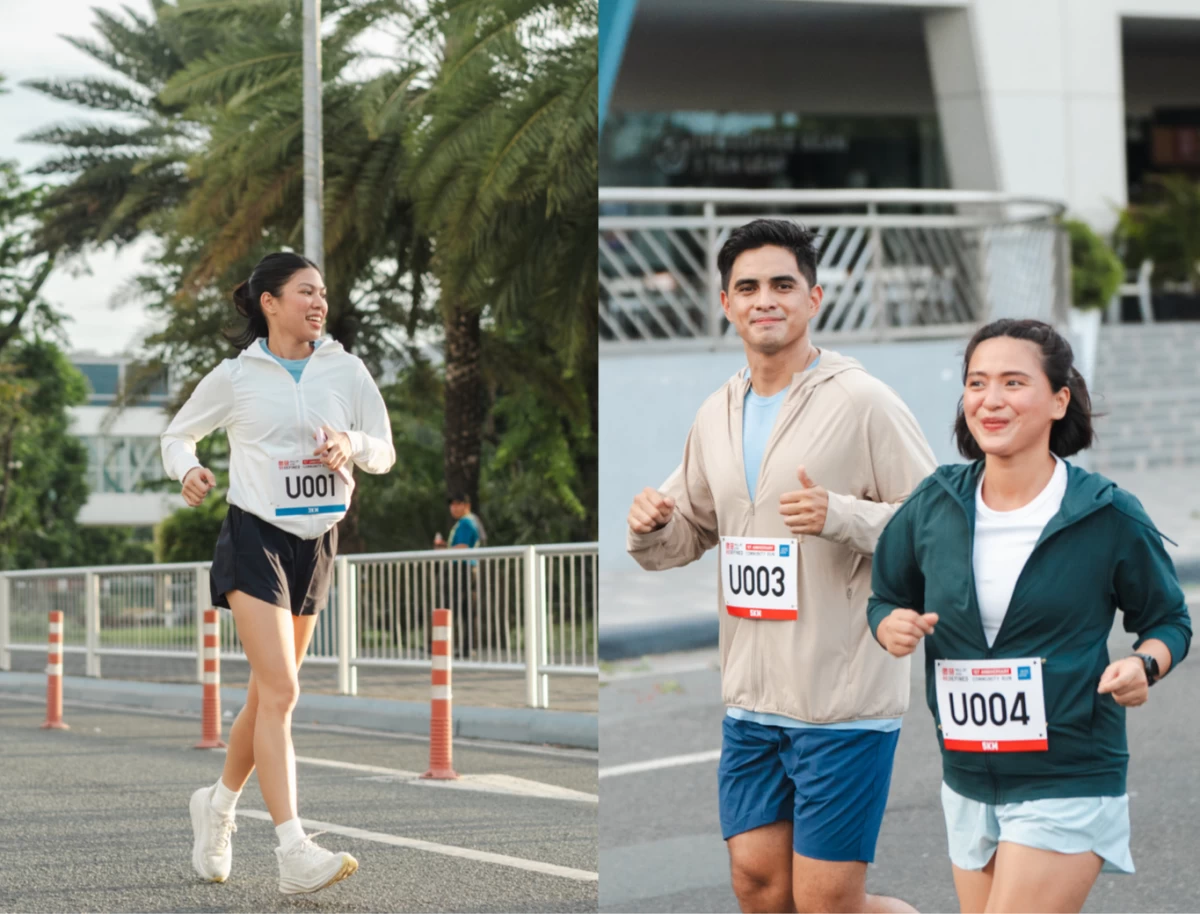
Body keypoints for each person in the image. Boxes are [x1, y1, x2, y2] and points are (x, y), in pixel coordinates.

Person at [626, 218, 936, 914]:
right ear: (725, 303)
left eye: (782, 285)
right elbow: (691, 528)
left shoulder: (864, 401)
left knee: (828, 903)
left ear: (813, 298)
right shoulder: (716, 412)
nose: (764, 299)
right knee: (760, 888)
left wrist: (840, 515)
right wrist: (652, 527)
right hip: (752, 699)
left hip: (841, 702)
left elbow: (937, 526)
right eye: (747, 287)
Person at [868, 318, 1192, 914]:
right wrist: (890, 625)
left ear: (1058, 400)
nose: (990, 400)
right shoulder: (934, 503)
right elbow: (886, 596)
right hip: (967, 775)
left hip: (1068, 773)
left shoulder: (1106, 513)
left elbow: (1169, 620)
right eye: (977, 383)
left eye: (1013, 383)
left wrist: (1145, 665)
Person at [161, 251, 396, 895]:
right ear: (269, 302)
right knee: (284, 691)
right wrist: (188, 469)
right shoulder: (237, 376)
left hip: (316, 542)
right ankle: (293, 849)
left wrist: (352, 444)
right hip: (255, 537)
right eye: (305, 292)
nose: (319, 303)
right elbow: (178, 436)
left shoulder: (346, 369)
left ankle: (217, 806)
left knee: (267, 695)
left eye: (322, 293)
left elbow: (384, 449)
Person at [433, 493, 485, 657]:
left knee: (461, 608)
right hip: (466, 568)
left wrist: (444, 550)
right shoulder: (470, 521)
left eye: (457, 504)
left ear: (466, 505)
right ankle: (466, 647)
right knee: (465, 608)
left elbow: (463, 547)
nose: (453, 508)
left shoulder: (466, 522)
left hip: (463, 568)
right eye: (452, 505)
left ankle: (464, 647)